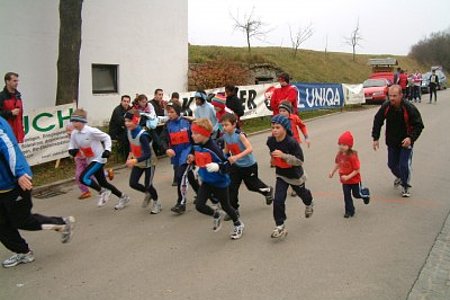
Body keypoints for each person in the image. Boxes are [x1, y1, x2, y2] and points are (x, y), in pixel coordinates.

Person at [0, 116, 75, 268]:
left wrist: (20, 172)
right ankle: (23, 252)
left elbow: (9, 147)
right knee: (1, 224)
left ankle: (62, 223)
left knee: (22, 220)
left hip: (15, 183)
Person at [188, 118, 244, 240]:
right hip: (207, 181)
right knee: (199, 205)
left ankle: (238, 224)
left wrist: (218, 166)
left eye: (196, 133)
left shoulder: (213, 148)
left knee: (226, 206)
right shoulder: (196, 145)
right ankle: (216, 214)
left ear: (204, 134)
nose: (192, 136)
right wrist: (192, 157)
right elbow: (194, 152)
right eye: (192, 133)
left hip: (220, 183)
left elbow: (227, 164)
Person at [68, 108, 130, 209]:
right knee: (103, 182)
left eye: (76, 121)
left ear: (83, 121)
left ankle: (102, 191)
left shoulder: (91, 131)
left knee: (83, 178)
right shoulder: (74, 134)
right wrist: (72, 151)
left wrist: (107, 150)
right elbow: (72, 146)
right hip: (90, 160)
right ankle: (123, 197)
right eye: (73, 121)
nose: (74, 124)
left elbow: (106, 137)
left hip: (99, 158)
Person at [266, 114, 314, 239]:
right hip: (281, 174)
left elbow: (299, 161)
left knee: (303, 194)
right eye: (272, 127)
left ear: (285, 128)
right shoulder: (270, 141)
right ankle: (280, 225)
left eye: (277, 127)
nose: (274, 130)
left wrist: (283, 156)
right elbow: (272, 153)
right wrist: (272, 159)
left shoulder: (292, 143)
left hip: (295, 175)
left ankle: (309, 202)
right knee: (278, 200)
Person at [372, 85, 424, 197]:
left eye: (395, 96)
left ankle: (405, 186)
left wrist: (410, 138)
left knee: (403, 165)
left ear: (401, 95)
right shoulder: (386, 107)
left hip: (406, 142)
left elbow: (419, 125)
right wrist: (375, 138)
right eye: (390, 96)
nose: (392, 99)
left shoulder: (409, 108)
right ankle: (400, 177)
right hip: (392, 141)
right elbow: (378, 120)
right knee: (391, 164)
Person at [221, 113, 273, 219]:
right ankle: (234, 210)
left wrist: (236, 157)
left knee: (251, 185)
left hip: (249, 165)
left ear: (234, 124)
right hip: (236, 166)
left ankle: (267, 190)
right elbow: (226, 150)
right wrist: (220, 157)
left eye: (226, 125)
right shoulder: (225, 136)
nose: (224, 127)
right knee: (232, 187)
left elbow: (250, 149)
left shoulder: (240, 135)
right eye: (223, 125)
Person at [160, 101, 194, 214]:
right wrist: (166, 149)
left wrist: (193, 152)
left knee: (180, 176)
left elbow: (195, 138)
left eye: (172, 112)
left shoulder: (187, 122)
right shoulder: (167, 125)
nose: (169, 114)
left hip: (187, 152)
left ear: (178, 112)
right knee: (188, 176)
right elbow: (163, 139)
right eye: (168, 112)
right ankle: (202, 194)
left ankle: (181, 203)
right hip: (176, 154)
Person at [124, 110, 160, 213]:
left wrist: (134, 160)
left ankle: (157, 202)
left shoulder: (143, 135)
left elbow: (148, 154)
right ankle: (148, 193)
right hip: (138, 161)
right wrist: (130, 157)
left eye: (129, 121)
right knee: (133, 183)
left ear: (136, 120)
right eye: (125, 121)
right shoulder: (129, 131)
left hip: (149, 162)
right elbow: (132, 145)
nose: (127, 123)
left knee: (148, 184)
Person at [329, 131, 370, 218]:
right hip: (345, 181)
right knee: (346, 195)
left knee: (357, 195)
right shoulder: (339, 154)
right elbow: (338, 163)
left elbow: (357, 169)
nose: (341, 146)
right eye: (340, 144)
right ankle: (349, 211)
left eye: (344, 145)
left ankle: (365, 194)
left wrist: (348, 177)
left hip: (354, 180)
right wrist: (332, 172)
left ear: (349, 146)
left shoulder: (352, 156)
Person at [278, 101, 311, 196]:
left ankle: (297, 183)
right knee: (286, 165)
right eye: (280, 111)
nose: (282, 113)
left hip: (295, 145)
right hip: (284, 145)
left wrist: (306, 137)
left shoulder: (294, 118)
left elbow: (302, 126)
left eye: (284, 111)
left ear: (289, 111)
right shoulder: (278, 121)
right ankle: (288, 184)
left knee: (295, 164)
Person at [0, 72, 24, 143]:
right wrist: (10, 113)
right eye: (14, 81)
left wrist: (22, 130)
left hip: (19, 133)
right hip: (6, 133)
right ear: (7, 81)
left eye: (17, 81)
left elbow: (20, 115)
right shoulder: (1, 97)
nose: (17, 83)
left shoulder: (18, 96)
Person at [109, 95, 132, 159]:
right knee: (127, 136)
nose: (126, 103)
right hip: (116, 132)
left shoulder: (130, 109)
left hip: (126, 129)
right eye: (124, 101)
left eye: (127, 101)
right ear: (121, 101)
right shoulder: (117, 110)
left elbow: (135, 117)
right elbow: (121, 122)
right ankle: (126, 157)